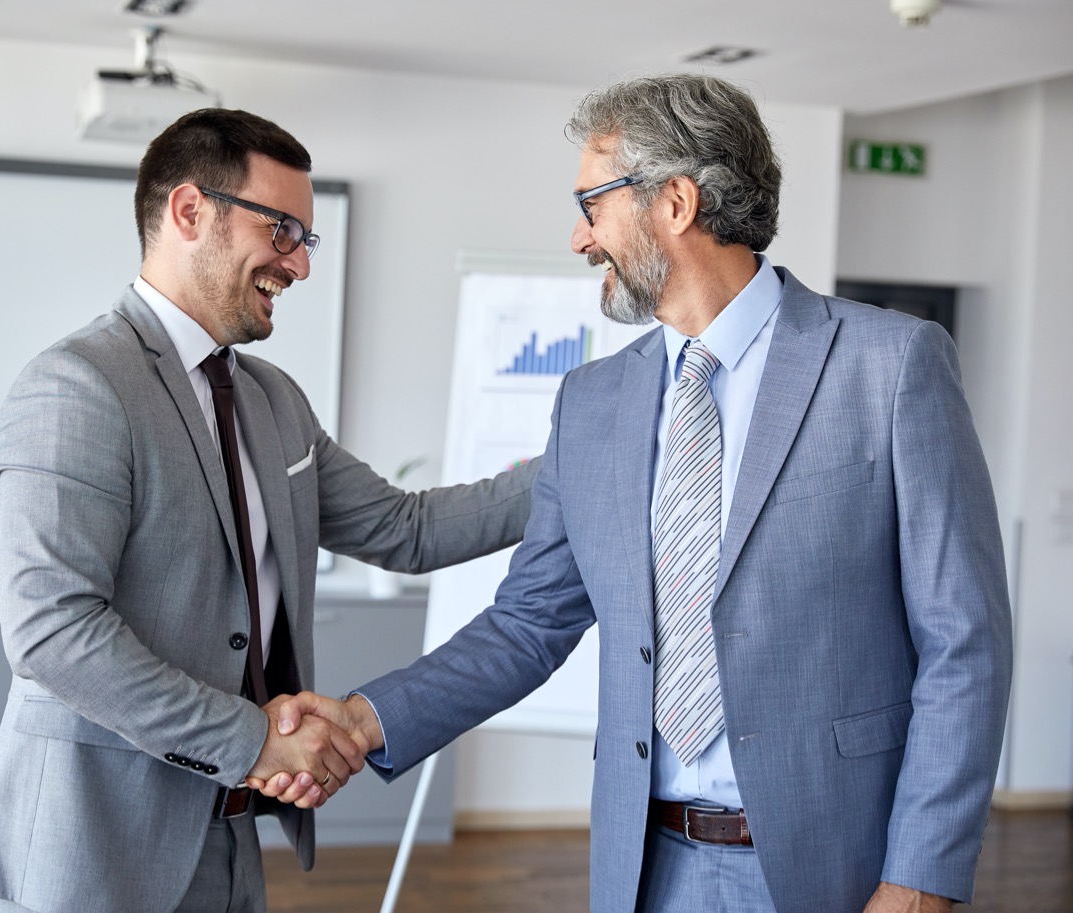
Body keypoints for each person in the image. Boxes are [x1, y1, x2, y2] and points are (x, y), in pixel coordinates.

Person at [267, 75, 1013, 913]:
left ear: (676, 203)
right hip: (647, 867)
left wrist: (919, 880)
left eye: (593, 203)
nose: (581, 237)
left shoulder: (890, 365)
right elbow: (529, 622)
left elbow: (965, 642)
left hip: (839, 866)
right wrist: (365, 720)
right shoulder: (590, 404)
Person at [0, 108, 539, 913]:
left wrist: (585, 461)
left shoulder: (273, 400)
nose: (299, 265)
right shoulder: (78, 385)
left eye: (307, 239)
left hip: (233, 835)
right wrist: (255, 739)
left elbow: (409, 529)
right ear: (190, 211)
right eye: (283, 231)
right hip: (92, 849)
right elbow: (53, 631)